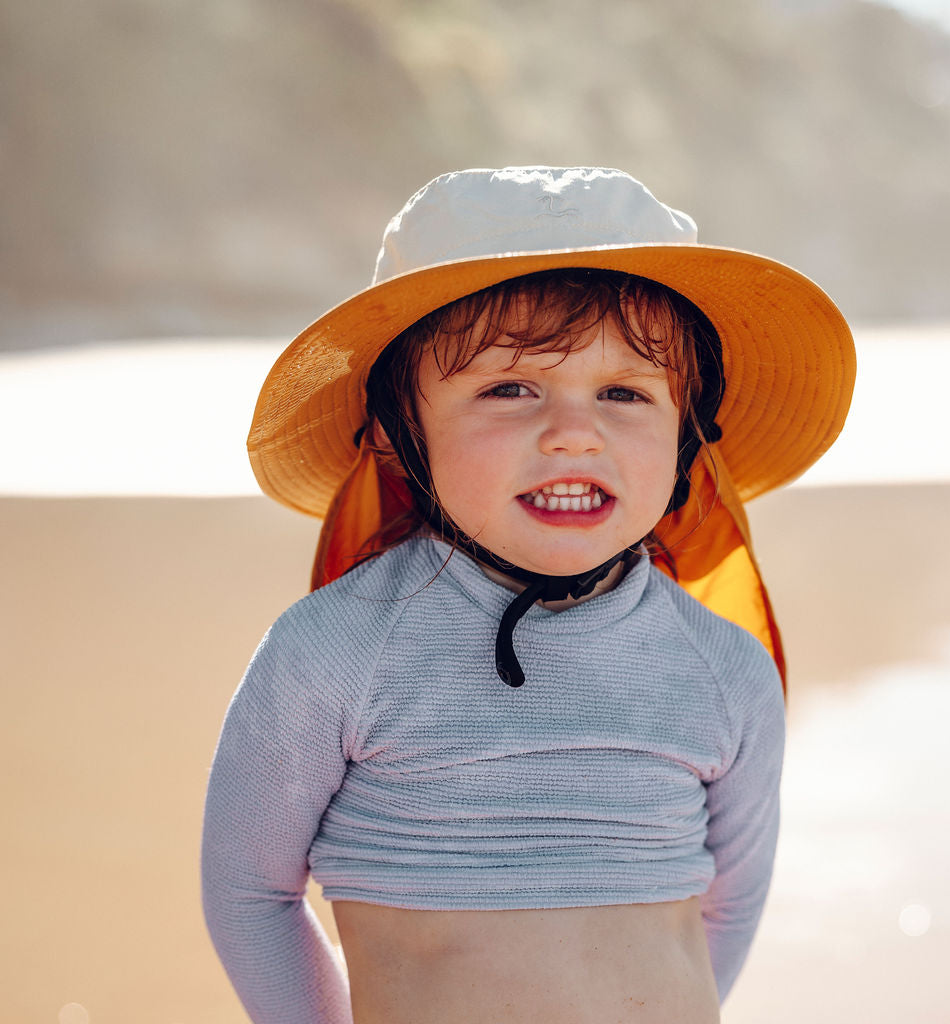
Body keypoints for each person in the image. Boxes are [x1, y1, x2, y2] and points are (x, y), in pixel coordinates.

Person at [201, 166, 855, 1024]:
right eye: (509, 388)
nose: (574, 432)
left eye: (626, 392)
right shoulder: (338, 651)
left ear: (689, 437)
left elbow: (729, 906)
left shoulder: (725, 668)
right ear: (403, 436)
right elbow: (250, 895)